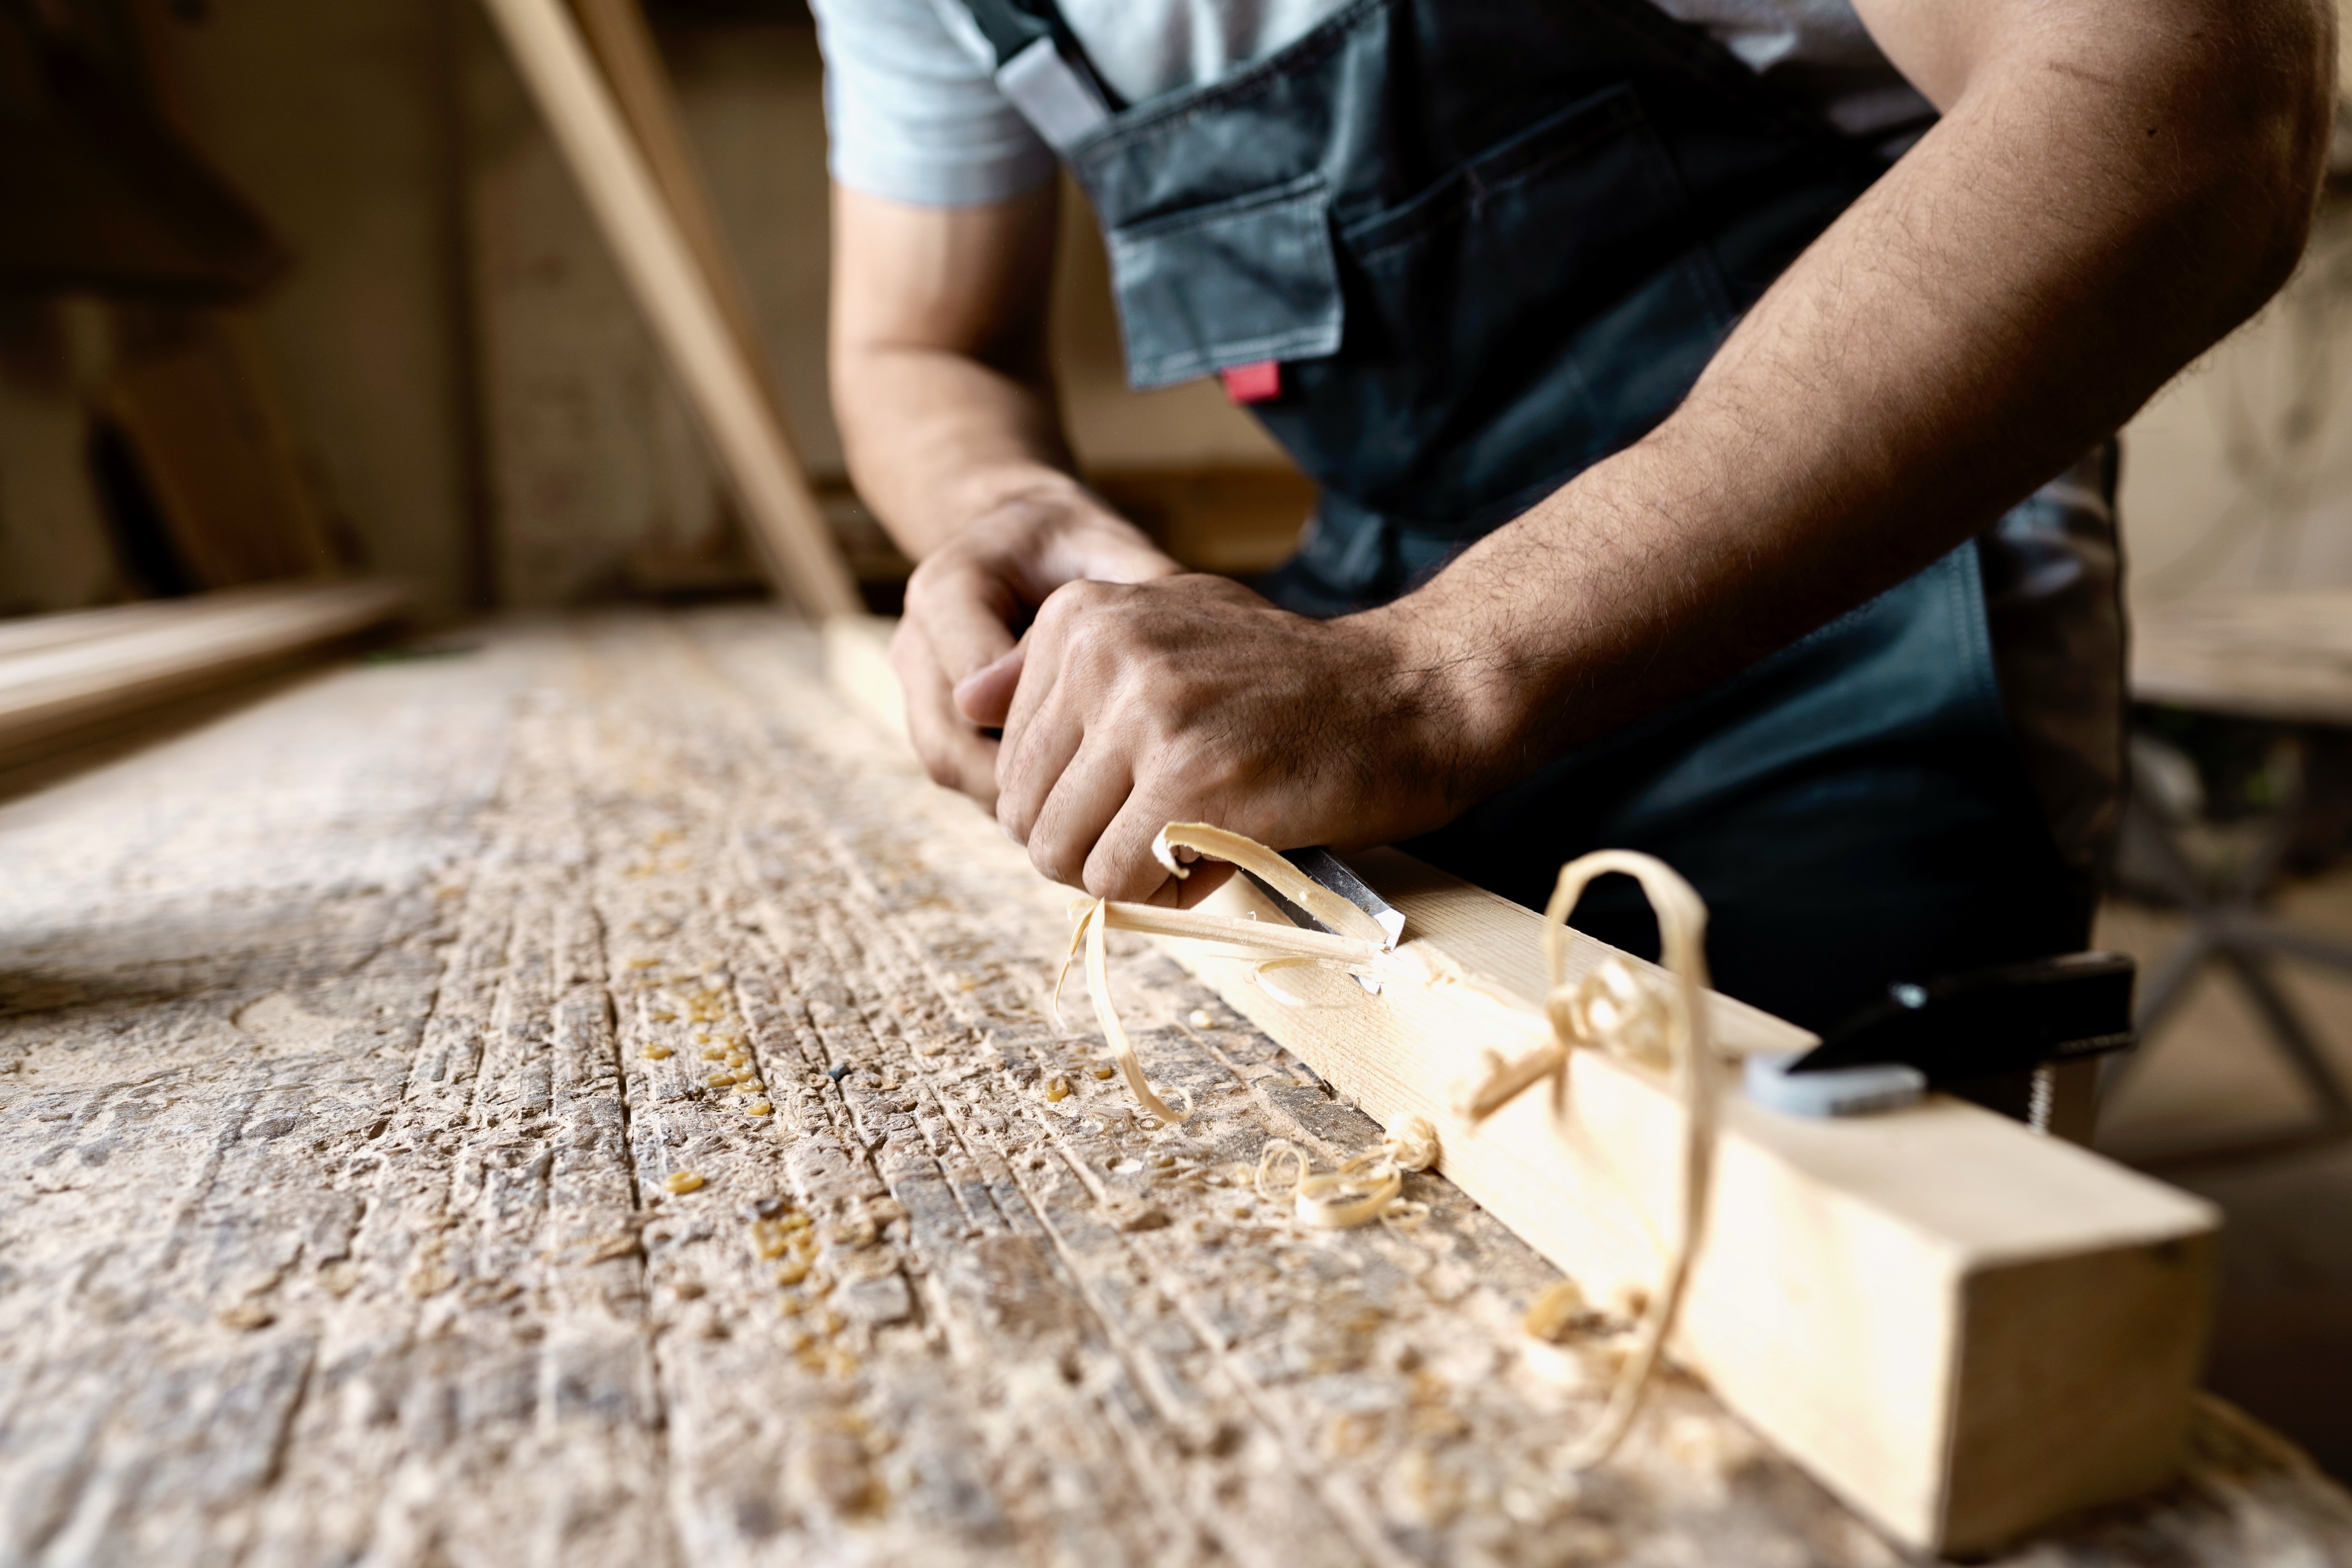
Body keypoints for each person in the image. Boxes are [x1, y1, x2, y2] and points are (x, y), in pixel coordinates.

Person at [812, 0, 2330, 1030]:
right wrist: (1012, 511)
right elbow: (921, 343)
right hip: (1371, 641)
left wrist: (1437, 672)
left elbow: (2193, 91)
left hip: (1857, 657)